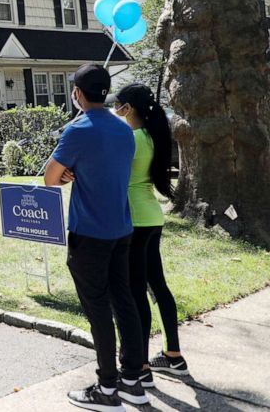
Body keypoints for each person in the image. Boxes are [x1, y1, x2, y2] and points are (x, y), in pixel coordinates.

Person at [44, 64, 148, 411]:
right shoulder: (123, 130)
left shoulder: (78, 129)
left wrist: (68, 172)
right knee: (125, 301)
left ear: (77, 94)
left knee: (98, 309)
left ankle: (106, 388)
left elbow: (50, 177)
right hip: (122, 229)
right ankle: (133, 380)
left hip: (89, 234)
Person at [110, 83, 188, 384]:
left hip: (136, 220)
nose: (115, 110)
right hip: (152, 216)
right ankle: (173, 355)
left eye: (118, 105)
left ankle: (139, 366)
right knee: (158, 286)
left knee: (135, 293)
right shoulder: (153, 135)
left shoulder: (132, 139)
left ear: (128, 108)